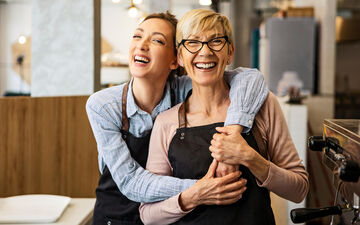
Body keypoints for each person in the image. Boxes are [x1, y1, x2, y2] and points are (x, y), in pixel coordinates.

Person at [86, 12, 269, 225]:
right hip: (115, 218)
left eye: (157, 40)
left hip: (167, 217)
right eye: (137, 36)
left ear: (176, 60)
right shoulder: (104, 105)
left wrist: (232, 135)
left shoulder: (184, 90)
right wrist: (201, 188)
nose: (142, 45)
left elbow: (250, 78)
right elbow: (130, 181)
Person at [139, 9, 309, 225]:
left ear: (230, 52)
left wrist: (250, 158)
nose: (205, 52)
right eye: (193, 42)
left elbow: (299, 189)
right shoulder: (166, 122)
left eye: (216, 41)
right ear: (180, 57)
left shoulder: (264, 106)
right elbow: (148, 215)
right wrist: (195, 195)